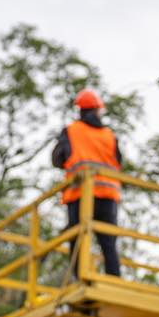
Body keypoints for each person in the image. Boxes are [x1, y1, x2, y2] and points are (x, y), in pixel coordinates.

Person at [52, 88, 122, 278]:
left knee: (78, 240)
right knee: (108, 242)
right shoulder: (109, 136)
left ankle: (80, 278)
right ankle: (114, 280)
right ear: (98, 110)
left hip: (80, 195)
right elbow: (119, 161)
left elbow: (57, 159)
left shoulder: (71, 131)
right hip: (107, 198)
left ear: (80, 110)